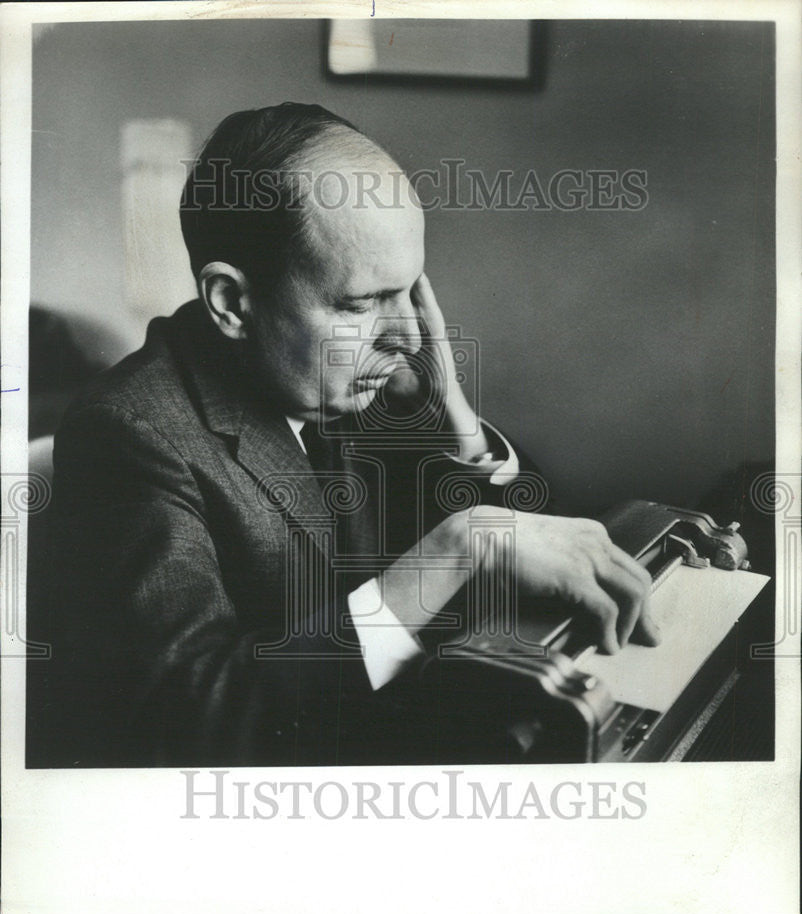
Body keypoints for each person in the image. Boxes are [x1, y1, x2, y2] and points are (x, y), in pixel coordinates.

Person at [29, 103, 659, 768]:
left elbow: (541, 566)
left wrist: (454, 421)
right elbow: (195, 721)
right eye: (361, 304)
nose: (411, 336)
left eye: (410, 292)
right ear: (233, 304)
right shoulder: (129, 433)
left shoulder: (350, 378)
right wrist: (458, 547)